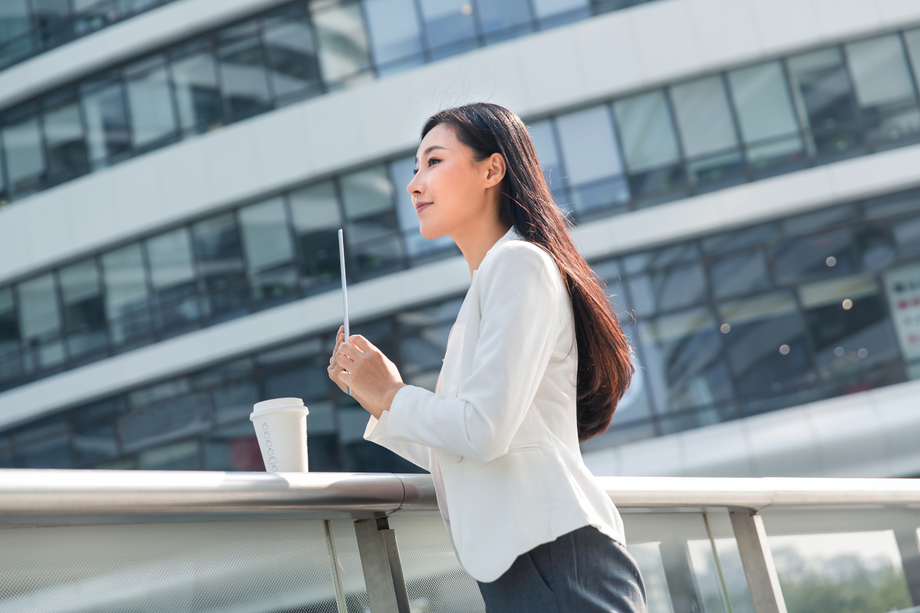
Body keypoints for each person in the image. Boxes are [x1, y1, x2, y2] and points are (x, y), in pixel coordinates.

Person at [327, 102, 647, 612]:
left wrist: (392, 393)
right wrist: (379, 399)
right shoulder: (493, 280)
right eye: (415, 168)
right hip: (528, 563)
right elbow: (464, 450)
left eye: (433, 162)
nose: (414, 185)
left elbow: (483, 431)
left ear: (492, 170)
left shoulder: (517, 264)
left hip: (552, 556)